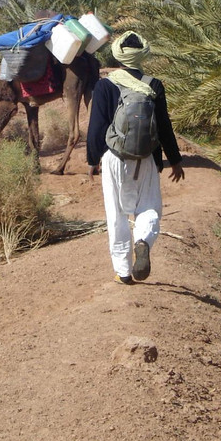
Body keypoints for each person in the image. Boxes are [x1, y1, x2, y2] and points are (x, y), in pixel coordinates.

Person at [87, 31, 184, 285]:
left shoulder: (105, 85)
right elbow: (163, 126)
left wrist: (92, 159)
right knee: (149, 206)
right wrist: (174, 159)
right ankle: (143, 241)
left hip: (114, 157)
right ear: (142, 54)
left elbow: (97, 126)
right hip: (147, 157)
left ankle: (123, 271)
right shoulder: (154, 85)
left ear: (118, 54)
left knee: (116, 213)